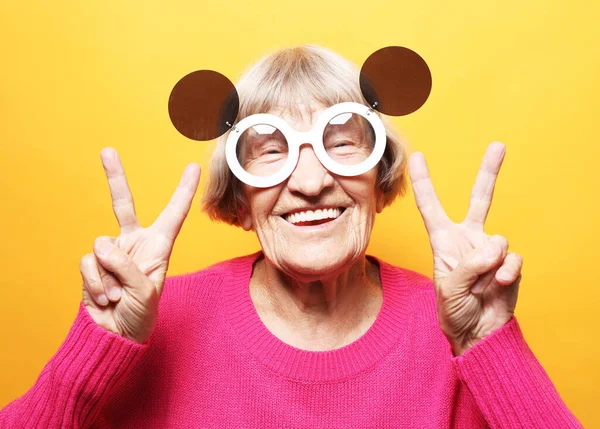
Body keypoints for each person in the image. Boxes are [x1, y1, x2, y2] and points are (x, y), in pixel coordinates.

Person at [0, 45, 583, 428]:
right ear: (240, 199)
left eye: (342, 142)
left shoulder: (455, 326)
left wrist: (489, 345)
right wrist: (95, 352)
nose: (308, 181)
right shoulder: (155, 320)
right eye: (271, 151)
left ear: (378, 181)